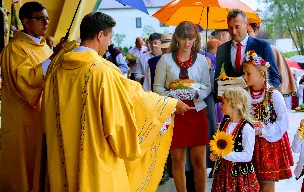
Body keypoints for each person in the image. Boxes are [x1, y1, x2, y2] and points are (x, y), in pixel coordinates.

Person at [32, 12, 190, 192]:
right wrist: (167, 106)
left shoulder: (56, 68)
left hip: (60, 161)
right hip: (93, 164)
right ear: (100, 35)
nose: (109, 44)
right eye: (109, 37)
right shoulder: (101, 72)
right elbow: (124, 113)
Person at [0, 1, 64, 192]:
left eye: (47, 18)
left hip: (42, 115)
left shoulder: (44, 47)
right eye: (40, 18)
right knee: (23, 171)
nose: (46, 23)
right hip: (22, 120)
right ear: (26, 22)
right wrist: (54, 57)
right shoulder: (15, 48)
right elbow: (26, 80)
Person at [154, 21, 211, 192]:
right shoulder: (164, 59)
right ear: (177, 38)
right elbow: (157, 87)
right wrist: (173, 99)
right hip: (173, 112)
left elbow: (206, 86)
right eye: (184, 39)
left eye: (191, 39)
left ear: (196, 39)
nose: (187, 43)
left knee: (199, 161)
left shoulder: (201, 60)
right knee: (178, 160)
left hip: (197, 112)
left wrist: (195, 94)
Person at [242, 51, 293, 192]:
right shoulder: (244, 94)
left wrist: (263, 130)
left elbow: (283, 122)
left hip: (269, 145)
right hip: (249, 144)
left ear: (261, 74)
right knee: (250, 184)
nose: (244, 77)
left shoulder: (273, 95)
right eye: (244, 73)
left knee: (267, 184)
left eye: (248, 73)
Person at [215, 9, 281, 90]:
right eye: (230, 28)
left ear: (246, 25)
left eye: (237, 27)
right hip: (231, 100)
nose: (233, 32)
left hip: (256, 100)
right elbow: (216, 79)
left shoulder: (262, 46)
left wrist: (262, 92)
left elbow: (275, 78)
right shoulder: (222, 49)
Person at [210, 87, 260, 192]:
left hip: (239, 175)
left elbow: (247, 156)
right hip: (223, 173)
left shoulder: (246, 128)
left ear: (234, 104)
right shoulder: (224, 123)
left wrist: (224, 154)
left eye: (223, 102)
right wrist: (216, 154)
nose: (220, 105)